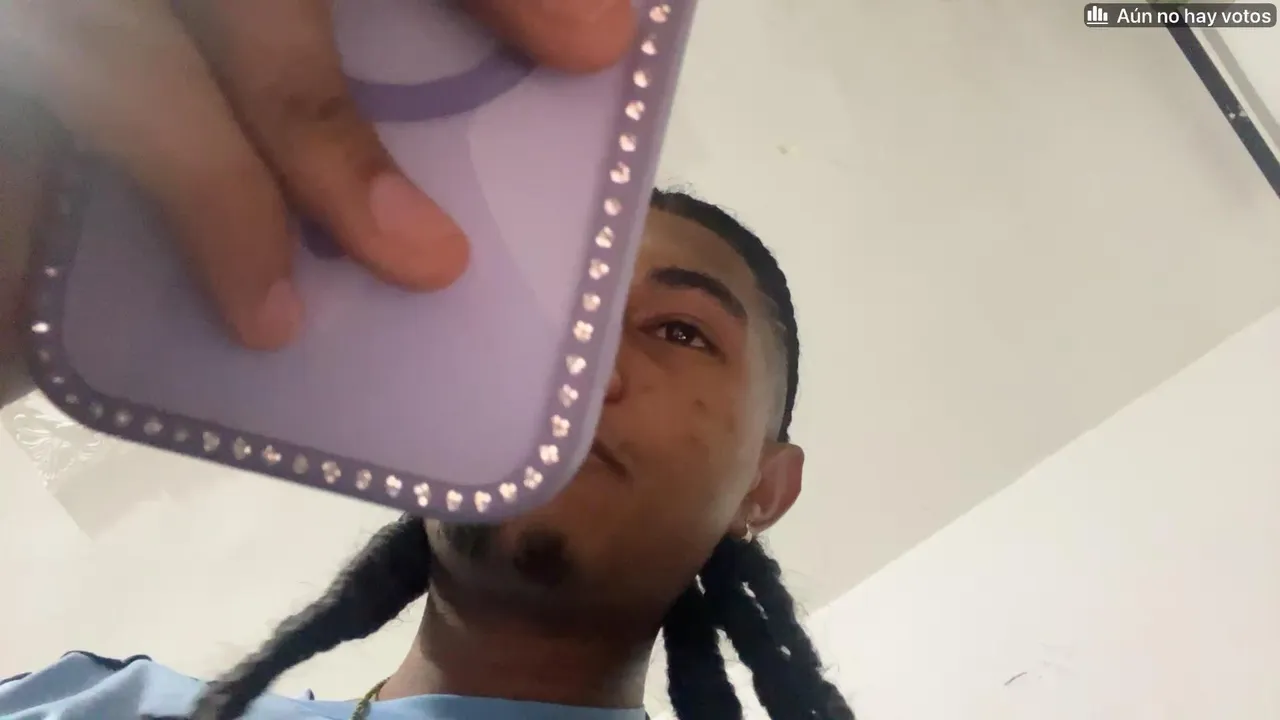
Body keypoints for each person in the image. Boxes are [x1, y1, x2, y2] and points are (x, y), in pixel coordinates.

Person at [0, 4, 855, 720]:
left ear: (765, 489)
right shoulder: (87, 705)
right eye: (540, 327)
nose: (579, 371)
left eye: (680, 332)